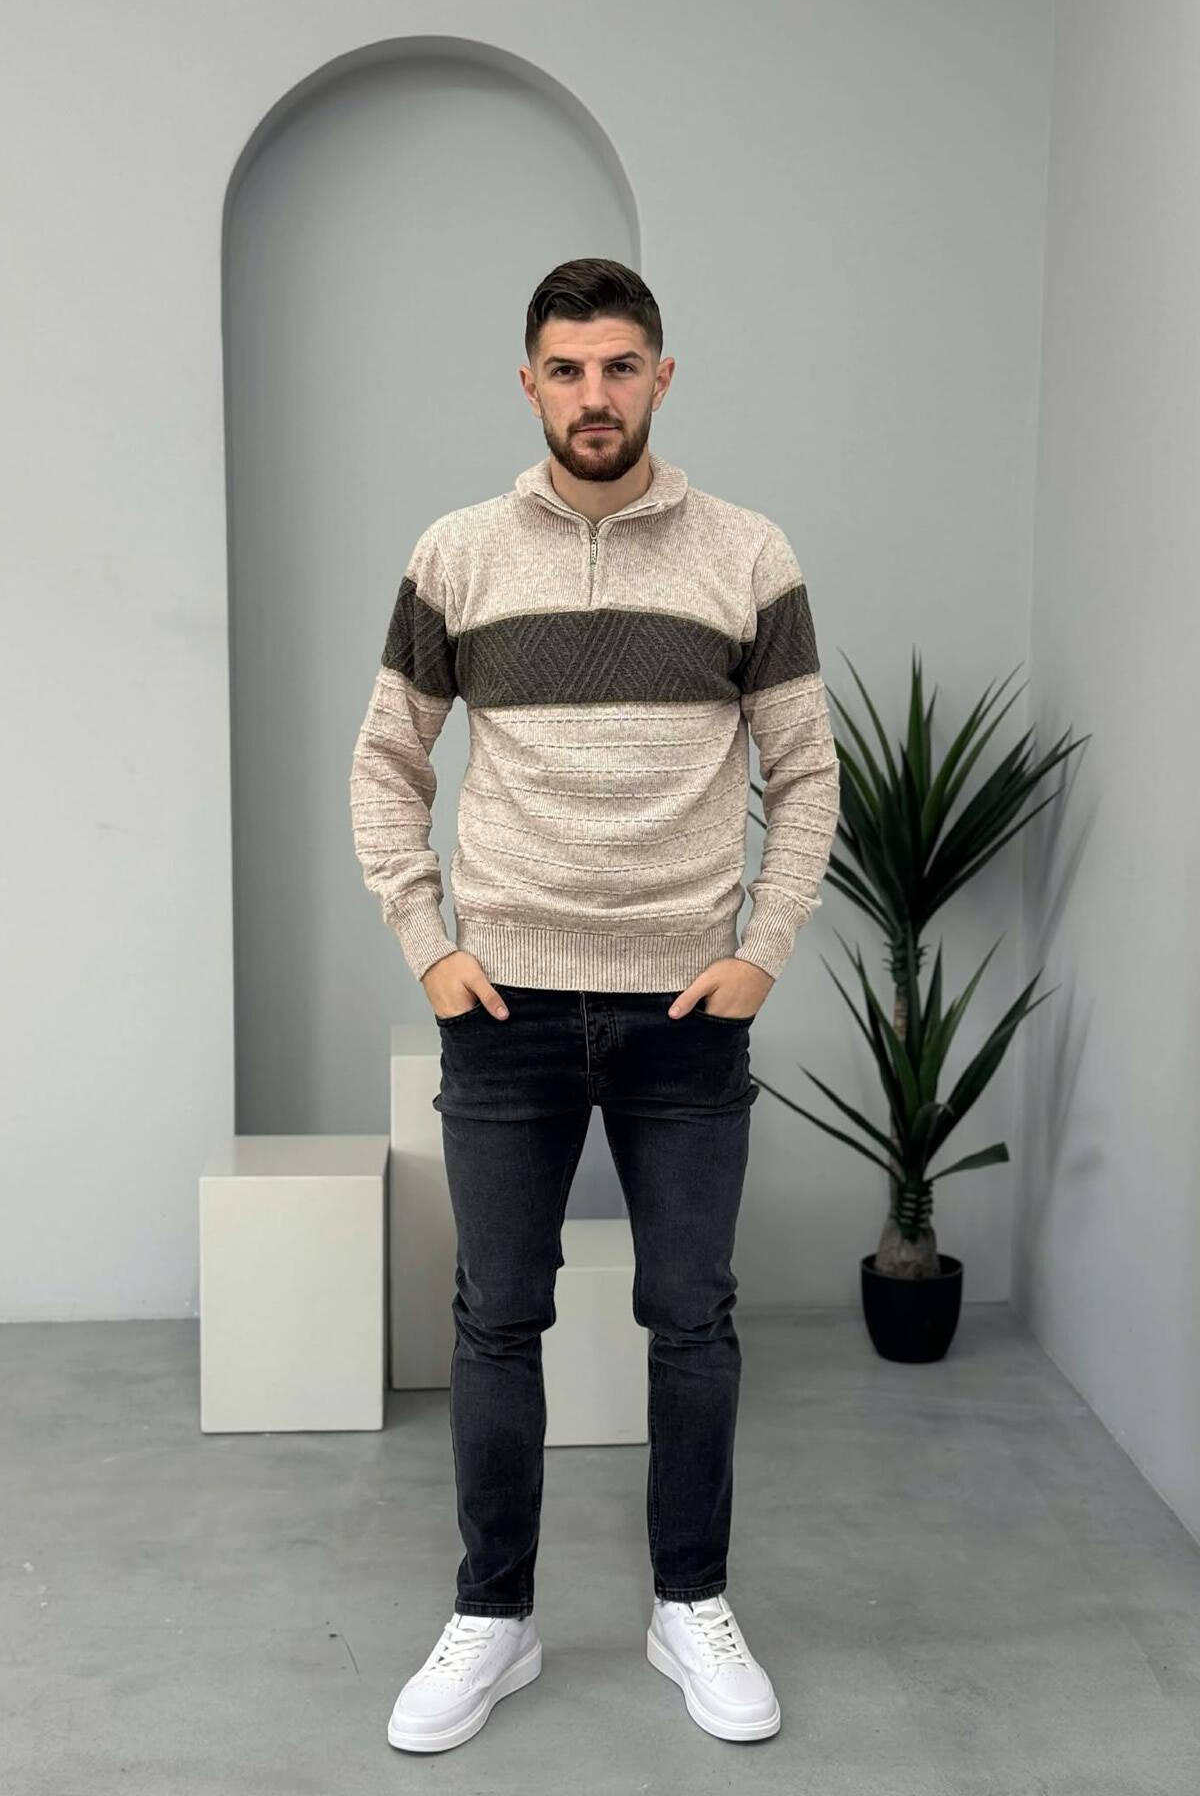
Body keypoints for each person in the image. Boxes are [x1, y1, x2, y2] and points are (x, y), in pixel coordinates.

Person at [349, 257, 840, 1753]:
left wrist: (764, 947)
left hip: (688, 1010)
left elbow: (804, 772)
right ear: (530, 385)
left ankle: (689, 1601)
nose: (595, 395)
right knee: (499, 1320)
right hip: (504, 1007)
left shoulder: (747, 555)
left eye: (621, 366)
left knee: (691, 1319)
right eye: (566, 370)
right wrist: (429, 940)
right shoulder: (457, 556)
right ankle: (493, 1618)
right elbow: (387, 762)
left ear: (662, 378)